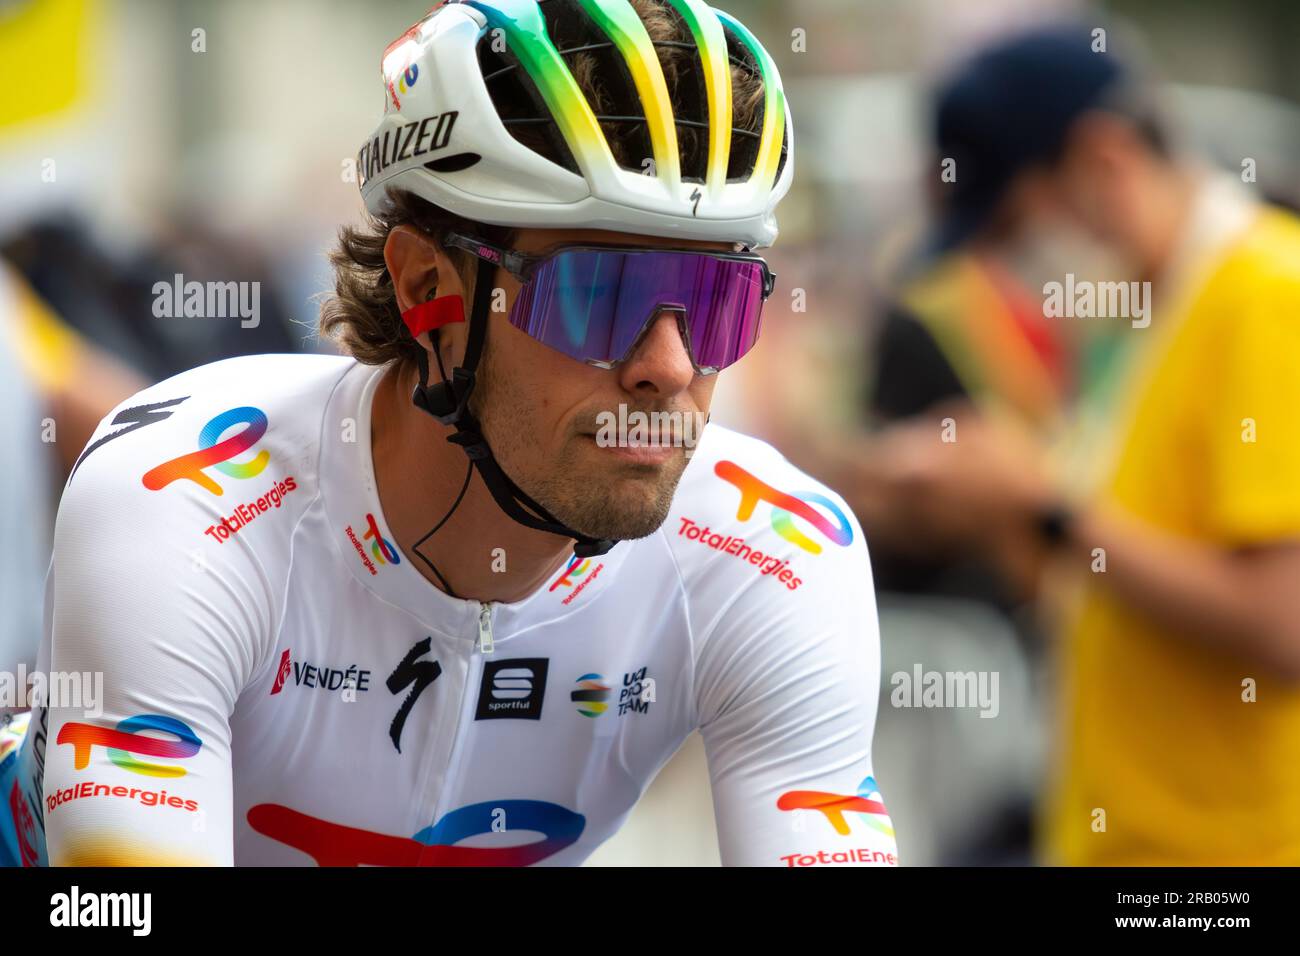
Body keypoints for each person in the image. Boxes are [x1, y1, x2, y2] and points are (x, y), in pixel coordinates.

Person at [0, 0, 897, 868]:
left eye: (717, 301)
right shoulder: (189, 501)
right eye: (599, 295)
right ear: (429, 285)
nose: (668, 365)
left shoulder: (776, 550)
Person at [871, 22, 1300, 864]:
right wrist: (983, 506)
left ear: (1103, 160)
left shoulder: (1263, 296)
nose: (1013, 267)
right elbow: (1117, 579)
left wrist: (1046, 504)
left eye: (1019, 226)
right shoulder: (1151, 315)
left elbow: (1282, 624)